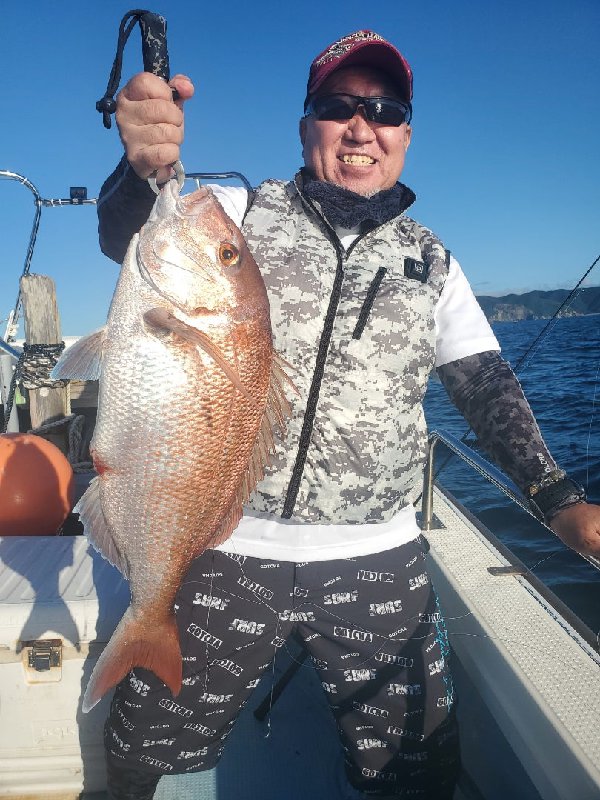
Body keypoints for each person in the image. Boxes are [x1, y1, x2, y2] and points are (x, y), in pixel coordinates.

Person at [96, 30, 600, 800]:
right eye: (338, 106)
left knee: (415, 771)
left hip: (378, 555)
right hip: (227, 545)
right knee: (144, 745)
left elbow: (485, 385)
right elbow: (127, 232)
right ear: (306, 126)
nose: (362, 126)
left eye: (386, 110)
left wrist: (559, 501)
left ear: (405, 134)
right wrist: (141, 168)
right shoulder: (234, 211)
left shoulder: (433, 260)